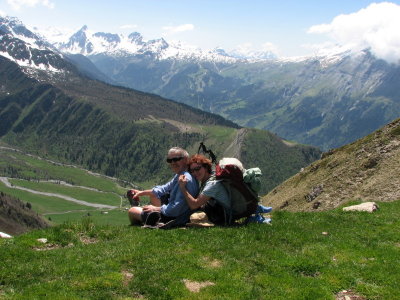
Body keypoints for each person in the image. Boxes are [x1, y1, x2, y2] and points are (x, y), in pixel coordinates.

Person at [128, 147, 199, 227]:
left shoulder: (185, 180)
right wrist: (142, 192)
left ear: (186, 159)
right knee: (154, 194)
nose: (172, 163)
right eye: (169, 160)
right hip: (173, 211)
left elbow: (176, 209)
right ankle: (149, 216)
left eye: (176, 159)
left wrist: (157, 208)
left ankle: (148, 218)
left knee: (132, 210)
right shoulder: (181, 174)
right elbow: (164, 188)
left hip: (175, 218)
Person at [178, 154, 231, 224]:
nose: (195, 173)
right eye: (192, 171)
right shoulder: (209, 179)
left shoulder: (212, 184)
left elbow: (194, 205)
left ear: (205, 167)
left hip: (222, 218)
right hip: (219, 213)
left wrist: (182, 188)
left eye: (197, 169)